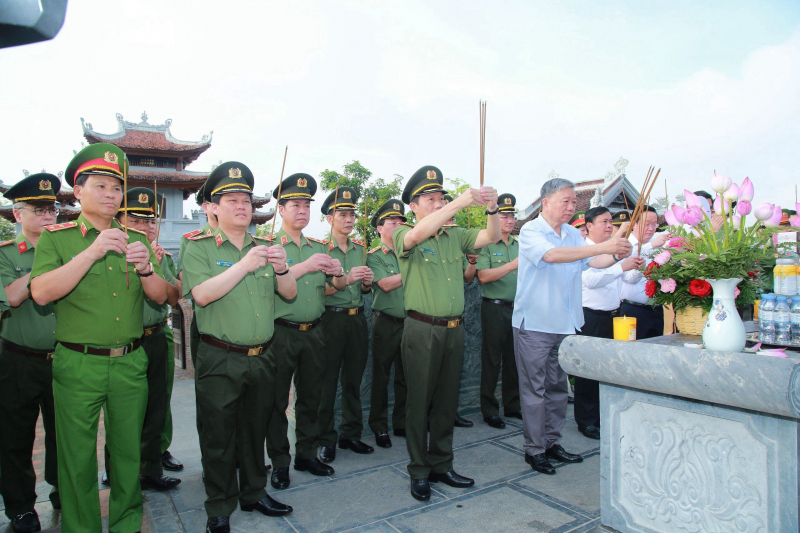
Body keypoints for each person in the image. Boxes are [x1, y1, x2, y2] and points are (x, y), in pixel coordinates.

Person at [30, 143, 172, 533]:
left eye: (116, 187)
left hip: (130, 361)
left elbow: (165, 297)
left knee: (127, 455)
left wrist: (146, 270)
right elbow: (40, 292)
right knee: (77, 458)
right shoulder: (57, 238)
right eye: (101, 186)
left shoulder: (136, 237)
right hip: (78, 363)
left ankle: (127, 524)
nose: (111, 195)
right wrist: (91, 252)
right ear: (78, 191)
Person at [181, 162, 296, 533]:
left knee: (254, 431)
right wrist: (244, 266)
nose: (242, 206)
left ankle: (254, 493)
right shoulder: (197, 246)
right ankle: (219, 505)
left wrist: (282, 269)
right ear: (214, 208)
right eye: (232, 200)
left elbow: (289, 294)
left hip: (262, 356)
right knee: (218, 436)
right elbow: (201, 295)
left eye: (246, 200)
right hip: (220, 357)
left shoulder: (265, 246)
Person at [393, 165, 500, 501]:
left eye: (442, 198)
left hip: (454, 329)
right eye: (431, 199)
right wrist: (458, 203)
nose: (439, 204)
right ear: (413, 206)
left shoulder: (456, 235)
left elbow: (491, 236)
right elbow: (414, 237)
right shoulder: (404, 233)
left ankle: (442, 463)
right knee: (419, 402)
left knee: (445, 402)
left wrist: (492, 208)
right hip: (422, 329)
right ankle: (419, 470)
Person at [514, 178, 632, 476]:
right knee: (534, 390)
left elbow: (594, 261)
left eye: (573, 201)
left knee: (557, 388)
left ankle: (552, 442)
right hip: (536, 323)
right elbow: (551, 256)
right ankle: (534, 449)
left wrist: (615, 253)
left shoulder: (571, 234)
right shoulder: (531, 231)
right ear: (545, 202)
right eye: (565, 201)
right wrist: (603, 246)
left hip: (565, 323)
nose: (571, 207)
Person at [101, 188, 182, 491]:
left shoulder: (162, 256)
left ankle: (151, 468)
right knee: (120, 411)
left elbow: (173, 295)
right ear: (120, 220)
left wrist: (155, 267)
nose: (144, 226)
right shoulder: (109, 253)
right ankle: (115, 469)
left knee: (156, 405)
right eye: (135, 220)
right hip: (124, 340)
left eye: (149, 221)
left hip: (155, 336)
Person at [265, 174, 340, 490]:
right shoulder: (268, 247)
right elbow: (266, 286)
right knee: (276, 401)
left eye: (306, 205)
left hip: (315, 331)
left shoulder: (320, 247)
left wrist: (338, 273)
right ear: (281, 209)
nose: (302, 211)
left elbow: (333, 287)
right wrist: (306, 266)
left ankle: (306, 454)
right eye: (295, 205)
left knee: (311, 397)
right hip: (281, 333)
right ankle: (280, 461)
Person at [0, 173, 58, 533]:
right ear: (18, 214)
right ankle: (21, 507)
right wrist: (47, 262)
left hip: (63, 357)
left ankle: (63, 489)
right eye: (39, 210)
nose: (48, 216)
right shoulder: (7, 254)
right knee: (15, 436)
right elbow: (12, 296)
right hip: (19, 360)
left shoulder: (72, 251)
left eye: (52, 209)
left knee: (63, 433)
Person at [575, 207, 644, 440]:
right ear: (589, 226)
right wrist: (620, 266)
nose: (608, 226)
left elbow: (627, 278)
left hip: (615, 315)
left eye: (610, 222)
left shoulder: (613, 250)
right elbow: (590, 280)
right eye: (603, 222)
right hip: (590, 317)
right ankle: (587, 420)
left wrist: (636, 265)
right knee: (588, 370)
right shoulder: (583, 249)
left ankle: (604, 415)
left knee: (610, 369)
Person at [317, 187, 375, 460]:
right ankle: (325, 438)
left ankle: (351, 434)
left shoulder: (360, 249)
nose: (349, 219)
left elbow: (364, 290)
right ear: (330, 218)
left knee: (354, 380)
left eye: (352, 214)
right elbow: (318, 291)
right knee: (327, 382)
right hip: (331, 319)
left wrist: (366, 284)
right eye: (342, 214)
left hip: (357, 319)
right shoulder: (319, 250)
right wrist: (347, 279)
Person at [475, 193, 522, 430]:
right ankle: (490, 409)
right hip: (494, 308)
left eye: (512, 216)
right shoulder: (486, 245)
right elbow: (483, 276)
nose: (510, 220)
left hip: (518, 309)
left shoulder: (519, 245)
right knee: (492, 360)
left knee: (514, 360)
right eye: (504, 216)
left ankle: (513, 405)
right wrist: (512, 266)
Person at [367, 199, 408, 448]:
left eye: (400, 222)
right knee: (381, 377)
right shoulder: (374, 256)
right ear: (380, 228)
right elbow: (385, 284)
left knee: (406, 376)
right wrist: (413, 270)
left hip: (410, 322)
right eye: (392, 222)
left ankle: (401, 422)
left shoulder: (408, 253)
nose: (397, 225)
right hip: (385, 323)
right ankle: (379, 426)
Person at [620, 205, 671, 339]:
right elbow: (629, 279)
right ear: (634, 224)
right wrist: (650, 246)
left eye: (654, 224)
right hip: (633, 311)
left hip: (656, 310)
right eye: (647, 224)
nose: (651, 228)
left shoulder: (658, 246)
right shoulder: (625, 245)